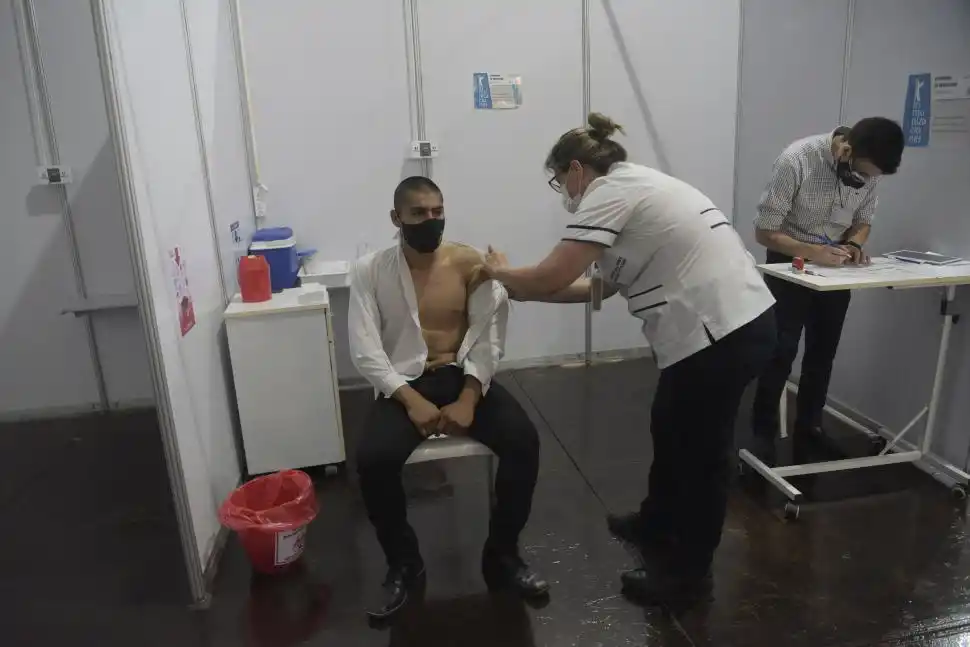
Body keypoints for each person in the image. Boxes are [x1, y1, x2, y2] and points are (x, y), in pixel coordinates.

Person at [481, 113, 777, 606]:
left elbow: (553, 273)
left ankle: (688, 575)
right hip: (719, 329)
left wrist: (501, 273)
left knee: (703, 454)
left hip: (724, 332)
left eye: (560, 181)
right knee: (669, 422)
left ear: (577, 169)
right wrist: (523, 290)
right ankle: (656, 523)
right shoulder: (638, 190)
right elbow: (596, 287)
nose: (563, 192)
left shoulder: (609, 193)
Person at [349, 176, 548, 621]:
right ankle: (404, 561)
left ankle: (503, 553)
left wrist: (471, 397)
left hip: (462, 375)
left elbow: (490, 337)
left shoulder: (470, 264)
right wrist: (408, 399)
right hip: (404, 381)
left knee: (523, 442)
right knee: (373, 460)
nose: (430, 220)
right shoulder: (370, 271)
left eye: (438, 211)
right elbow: (365, 349)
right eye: (419, 213)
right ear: (396, 218)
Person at [749, 119, 905, 463]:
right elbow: (765, 231)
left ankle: (810, 427)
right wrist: (812, 252)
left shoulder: (870, 172)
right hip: (789, 262)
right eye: (863, 172)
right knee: (781, 350)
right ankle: (761, 433)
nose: (866, 180)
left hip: (834, 268)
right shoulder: (797, 159)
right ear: (846, 149)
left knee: (823, 352)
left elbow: (863, 221)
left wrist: (852, 244)